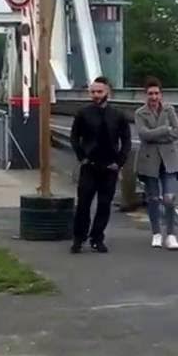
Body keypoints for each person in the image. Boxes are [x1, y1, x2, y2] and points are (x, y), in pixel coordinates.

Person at [69, 76, 131, 253]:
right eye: (93, 92)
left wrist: (119, 162)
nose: (96, 95)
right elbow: (74, 137)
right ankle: (79, 238)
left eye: (99, 92)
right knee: (83, 204)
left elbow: (126, 141)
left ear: (107, 93)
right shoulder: (83, 113)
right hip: (90, 165)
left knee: (104, 205)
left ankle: (97, 238)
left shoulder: (118, 115)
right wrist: (82, 157)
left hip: (109, 167)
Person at [134, 77, 178, 251]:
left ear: (161, 95)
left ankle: (171, 234)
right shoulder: (140, 113)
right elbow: (143, 135)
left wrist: (157, 135)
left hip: (169, 159)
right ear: (145, 95)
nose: (154, 97)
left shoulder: (169, 110)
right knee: (153, 199)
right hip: (149, 160)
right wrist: (164, 130)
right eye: (150, 94)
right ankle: (156, 233)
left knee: (169, 198)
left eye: (156, 93)